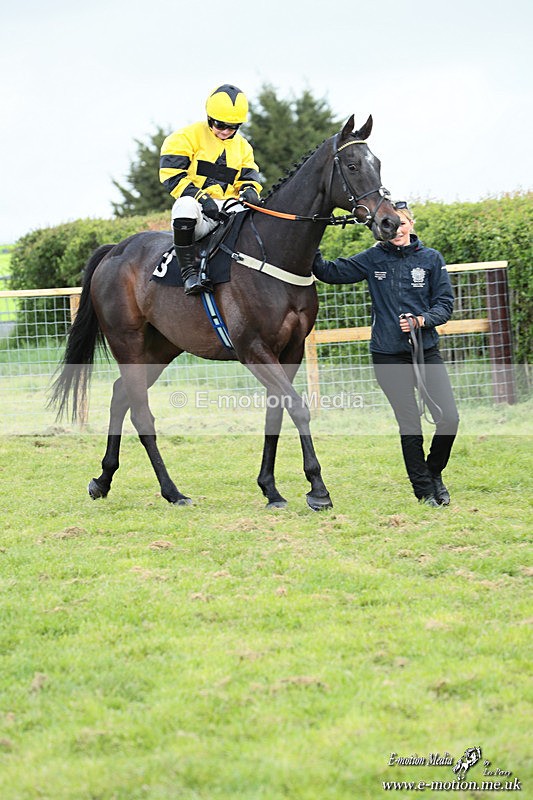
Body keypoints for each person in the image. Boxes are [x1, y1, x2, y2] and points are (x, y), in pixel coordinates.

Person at [312, 201, 460, 507]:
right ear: (381, 229)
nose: (398, 230)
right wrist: (311, 236)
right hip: (388, 355)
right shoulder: (373, 258)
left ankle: (434, 472)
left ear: (411, 224)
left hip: (426, 351)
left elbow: (445, 304)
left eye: (402, 223)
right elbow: (329, 272)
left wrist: (422, 320)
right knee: (410, 425)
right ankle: (424, 492)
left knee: (449, 419)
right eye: (390, 226)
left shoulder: (431, 259)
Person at [159, 83, 263, 295]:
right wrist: (203, 199)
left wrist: (250, 191)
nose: (225, 131)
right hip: (198, 211)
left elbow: (249, 178)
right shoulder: (183, 138)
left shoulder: (243, 146)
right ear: (209, 117)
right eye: (220, 125)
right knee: (184, 205)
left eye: (232, 127)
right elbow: (173, 176)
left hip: (229, 210)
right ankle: (188, 273)